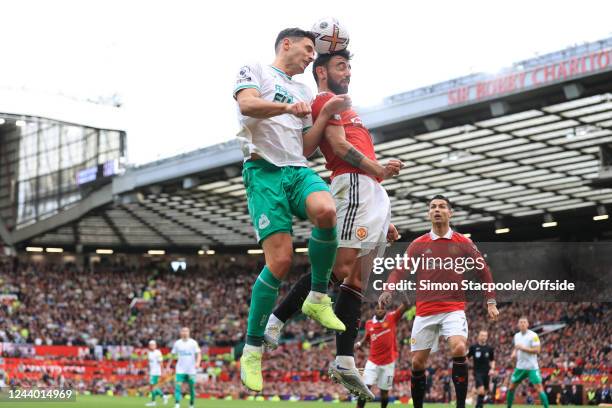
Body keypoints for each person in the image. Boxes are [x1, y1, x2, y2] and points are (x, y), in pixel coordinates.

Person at [262, 49, 403, 399]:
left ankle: (343, 359)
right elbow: (339, 148)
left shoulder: (347, 107)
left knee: (357, 280)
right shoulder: (326, 100)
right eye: (341, 66)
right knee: (339, 269)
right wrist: (378, 169)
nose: (349, 72)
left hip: (369, 193)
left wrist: (384, 216)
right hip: (353, 183)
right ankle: (275, 319)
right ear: (321, 71)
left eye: (350, 66)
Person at [233, 27, 352, 392]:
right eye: (305, 49)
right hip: (264, 170)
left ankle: (317, 296)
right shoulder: (255, 69)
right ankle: (252, 348)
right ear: (286, 44)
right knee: (280, 262)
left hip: (296, 170)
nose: (308, 57)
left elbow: (304, 149)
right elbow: (247, 105)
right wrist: (287, 107)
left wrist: (322, 115)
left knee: (326, 209)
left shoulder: (303, 90)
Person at [380, 194, 499, 408]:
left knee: (459, 348)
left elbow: (484, 271)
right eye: (433, 207)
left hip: (453, 308)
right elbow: (400, 270)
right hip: (425, 311)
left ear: (450, 213)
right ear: (428, 213)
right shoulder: (418, 244)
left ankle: (461, 405)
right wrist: (388, 289)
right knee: (417, 363)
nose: (437, 210)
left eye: (442, 206)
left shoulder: (463, 242)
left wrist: (490, 301)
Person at [355, 300, 409, 408]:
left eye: (382, 308)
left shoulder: (391, 318)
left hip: (388, 363)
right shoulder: (369, 323)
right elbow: (367, 337)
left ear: (386, 310)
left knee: (384, 392)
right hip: (372, 362)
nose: (380, 310)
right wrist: (360, 343)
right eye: (378, 308)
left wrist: (403, 291)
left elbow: (405, 306)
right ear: (375, 310)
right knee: (365, 388)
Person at [506, 317, 549, 408]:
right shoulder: (516, 336)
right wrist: (514, 353)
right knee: (511, 387)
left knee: (539, 388)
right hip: (520, 367)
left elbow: (537, 350)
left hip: (532, 367)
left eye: (524, 322)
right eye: (520, 322)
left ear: (528, 324)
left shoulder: (533, 335)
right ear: (518, 325)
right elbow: (517, 347)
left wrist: (523, 348)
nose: (522, 324)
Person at [168, 327, 201, 408]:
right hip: (180, 369)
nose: (184, 332)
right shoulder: (177, 343)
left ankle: (191, 404)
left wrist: (198, 362)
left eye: (186, 331)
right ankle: (177, 404)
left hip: (191, 370)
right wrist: (168, 366)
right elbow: (172, 355)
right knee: (177, 386)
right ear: (180, 333)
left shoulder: (193, 342)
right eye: (183, 331)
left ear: (189, 333)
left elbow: (199, 354)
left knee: (191, 388)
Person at [468, 330, 495, 408]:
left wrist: (492, 369)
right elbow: (467, 357)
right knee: (481, 390)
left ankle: (477, 405)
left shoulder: (489, 348)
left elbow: (492, 360)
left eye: (485, 336)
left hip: (487, 372)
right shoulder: (473, 347)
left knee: (485, 391)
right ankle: (476, 403)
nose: (483, 337)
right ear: (478, 337)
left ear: (487, 337)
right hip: (477, 372)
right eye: (482, 335)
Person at [145, 340, 169, 406]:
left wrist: (162, 372)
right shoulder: (149, 353)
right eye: (150, 345)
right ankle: (163, 396)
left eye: (153, 345)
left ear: (155, 345)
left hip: (156, 372)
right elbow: (149, 363)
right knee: (152, 387)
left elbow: (161, 363)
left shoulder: (158, 352)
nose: (151, 346)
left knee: (153, 386)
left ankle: (155, 401)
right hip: (151, 372)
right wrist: (147, 372)